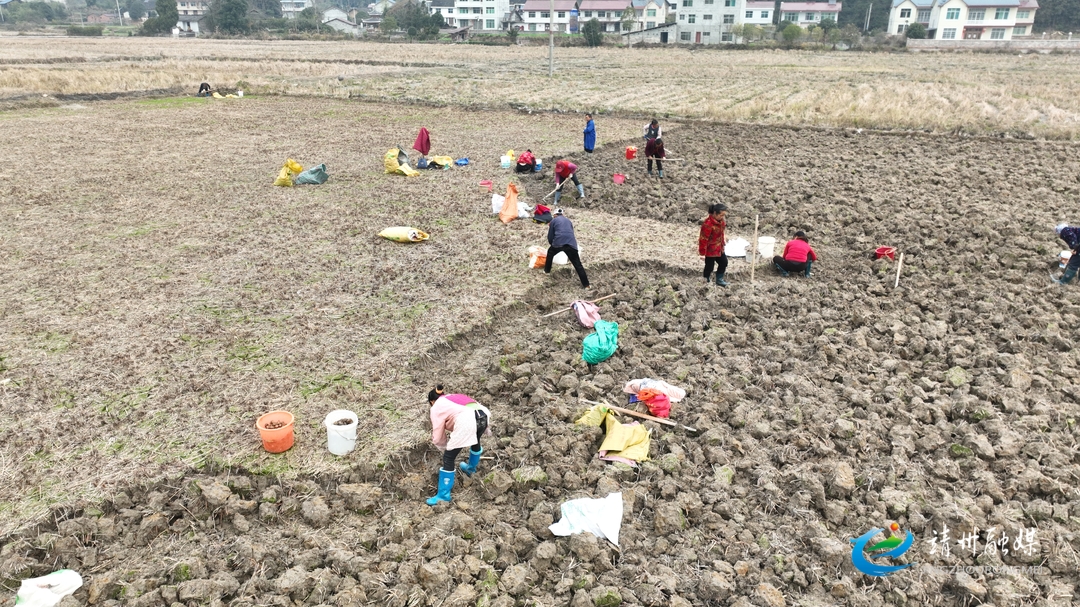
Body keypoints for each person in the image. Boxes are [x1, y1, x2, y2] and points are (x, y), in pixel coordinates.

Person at [426, 391, 491, 506]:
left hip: (467, 420)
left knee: (449, 457)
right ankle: (471, 468)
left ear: (432, 401)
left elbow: (438, 434)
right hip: (483, 415)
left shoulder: (436, 406)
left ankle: (443, 495)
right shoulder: (453, 396)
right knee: (476, 440)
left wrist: (444, 448)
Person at [545, 208, 590, 288]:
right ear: (562, 214)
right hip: (571, 244)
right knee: (578, 265)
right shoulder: (568, 221)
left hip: (558, 242)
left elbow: (550, 236)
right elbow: (571, 233)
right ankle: (586, 285)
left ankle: (547, 271)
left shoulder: (553, 221)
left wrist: (552, 244)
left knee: (550, 253)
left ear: (555, 215)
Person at [699, 203, 728, 287]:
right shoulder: (708, 224)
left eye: (723, 215)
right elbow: (703, 239)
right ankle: (706, 280)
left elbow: (722, 232)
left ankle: (719, 279)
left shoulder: (721, 222)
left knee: (724, 262)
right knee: (709, 266)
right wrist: (702, 253)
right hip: (710, 249)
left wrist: (724, 239)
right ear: (715, 213)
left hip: (719, 248)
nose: (722, 217)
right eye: (721, 215)